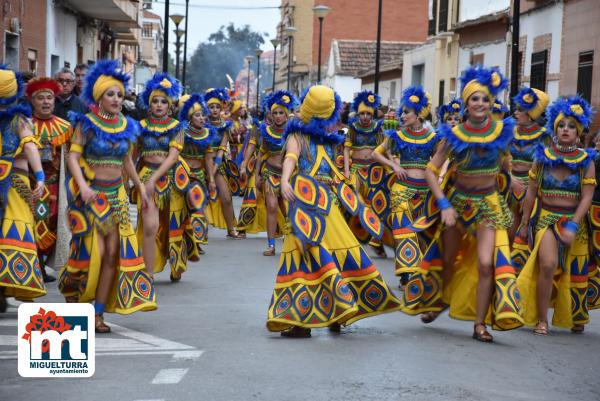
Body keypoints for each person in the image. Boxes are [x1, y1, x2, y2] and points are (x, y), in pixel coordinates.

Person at [266, 85, 401, 338]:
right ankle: (333, 312)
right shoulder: (301, 137)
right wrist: (285, 180)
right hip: (315, 205)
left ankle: (306, 320)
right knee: (328, 254)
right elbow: (291, 159)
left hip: (315, 208)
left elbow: (297, 161)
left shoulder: (323, 140)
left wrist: (286, 181)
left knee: (306, 258)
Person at [403, 65, 523, 342]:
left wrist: (512, 179)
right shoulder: (453, 135)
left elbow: (506, 164)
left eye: (484, 99)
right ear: (466, 104)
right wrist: (444, 204)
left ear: (491, 102)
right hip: (458, 205)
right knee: (447, 260)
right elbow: (432, 171)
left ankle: (480, 324)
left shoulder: (502, 132)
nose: (480, 104)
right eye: (474, 99)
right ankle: (440, 301)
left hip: (488, 205)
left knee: (484, 263)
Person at [58, 60, 156, 332]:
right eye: (110, 94)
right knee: (93, 254)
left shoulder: (126, 124)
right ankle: (74, 291)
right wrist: (83, 186)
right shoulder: (86, 123)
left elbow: (126, 160)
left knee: (113, 255)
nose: (115, 99)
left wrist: (139, 187)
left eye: (120, 95)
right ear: (99, 97)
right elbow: (74, 158)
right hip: (90, 197)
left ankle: (98, 314)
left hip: (117, 197)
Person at [517, 95, 598, 335]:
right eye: (561, 125)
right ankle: (542, 319)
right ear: (554, 128)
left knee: (576, 272)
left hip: (575, 222)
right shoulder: (542, 158)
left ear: (579, 131)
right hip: (547, 220)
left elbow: (587, 197)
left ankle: (576, 316)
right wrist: (523, 223)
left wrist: (574, 224)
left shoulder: (586, 161)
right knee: (548, 264)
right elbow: (531, 192)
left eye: (571, 126)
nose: (565, 129)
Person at [371, 86, 439, 289]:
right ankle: (406, 276)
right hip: (401, 189)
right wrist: (393, 165)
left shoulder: (432, 137)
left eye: (407, 112)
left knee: (421, 234)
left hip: (425, 191)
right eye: (403, 112)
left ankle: (420, 273)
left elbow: (441, 160)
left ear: (418, 114)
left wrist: (440, 176)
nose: (402, 115)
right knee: (403, 232)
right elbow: (376, 153)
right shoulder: (397, 136)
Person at [0, 66, 46, 312]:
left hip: (13, 183)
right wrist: (39, 176)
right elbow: (30, 148)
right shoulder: (20, 120)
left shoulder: (19, 119)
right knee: (12, 232)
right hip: (15, 183)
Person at [136, 72, 189, 282]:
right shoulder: (140, 127)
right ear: (149, 105)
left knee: (174, 225)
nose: (159, 105)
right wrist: (129, 180)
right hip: (146, 176)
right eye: (155, 101)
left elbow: (173, 156)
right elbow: (131, 155)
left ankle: (176, 264)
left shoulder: (176, 127)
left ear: (169, 106)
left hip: (172, 179)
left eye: (163, 102)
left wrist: (154, 178)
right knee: (150, 226)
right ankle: (148, 272)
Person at [25, 77, 74, 283]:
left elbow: (71, 156)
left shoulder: (65, 127)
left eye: (49, 98)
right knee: (34, 223)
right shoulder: (25, 125)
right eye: (41, 98)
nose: (46, 102)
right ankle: (35, 265)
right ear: (32, 101)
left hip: (55, 185)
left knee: (53, 223)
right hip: (30, 185)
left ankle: (44, 264)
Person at [509, 87, 550, 272]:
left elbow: (547, 165)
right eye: (515, 108)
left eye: (520, 109)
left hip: (532, 190)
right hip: (510, 187)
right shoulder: (508, 130)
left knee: (526, 236)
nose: (515, 112)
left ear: (531, 114)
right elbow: (499, 158)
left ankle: (525, 279)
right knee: (508, 234)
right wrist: (509, 178)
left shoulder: (544, 135)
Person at [343, 90, 388, 258]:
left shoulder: (378, 128)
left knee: (377, 207)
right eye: (361, 113)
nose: (364, 117)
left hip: (374, 171)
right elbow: (347, 149)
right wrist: (347, 170)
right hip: (356, 171)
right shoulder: (353, 128)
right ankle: (351, 241)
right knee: (355, 204)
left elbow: (384, 148)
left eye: (368, 113)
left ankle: (378, 242)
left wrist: (391, 165)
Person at [253, 90, 297, 255]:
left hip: (289, 176)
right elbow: (261, 153)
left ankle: (290, 239)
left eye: (281, 113)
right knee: (271, 206)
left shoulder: (293, 132)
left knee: (288, 210)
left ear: (286, 115)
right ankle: (271, 245)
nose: (277, 116)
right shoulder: (265, 131)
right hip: (270, 173)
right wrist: (257, 175)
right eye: (275, 113)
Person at [178, 93, 215, 258]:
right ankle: (184, 240)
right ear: (190, 118)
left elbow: (208, 158)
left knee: (199, 208)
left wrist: (212, 179)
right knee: (183, 210)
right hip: (183, 175)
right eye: (197, 115)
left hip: (199, 176)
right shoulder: (182, 132)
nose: (201, 118)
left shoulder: (207, 133)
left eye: (202, 115)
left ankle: (197, 242)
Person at [204, 88, 244, 239]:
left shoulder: (225, 126)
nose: (214, 110)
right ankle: (198, 233)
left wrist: (213, 174)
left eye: (217, 107)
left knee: (226, 198)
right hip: (201, 165)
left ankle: (231, 228)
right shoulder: (201, 124)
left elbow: (221, 150)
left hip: (218, 164)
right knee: (199, 200)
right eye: (211, 107)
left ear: (221, 108)